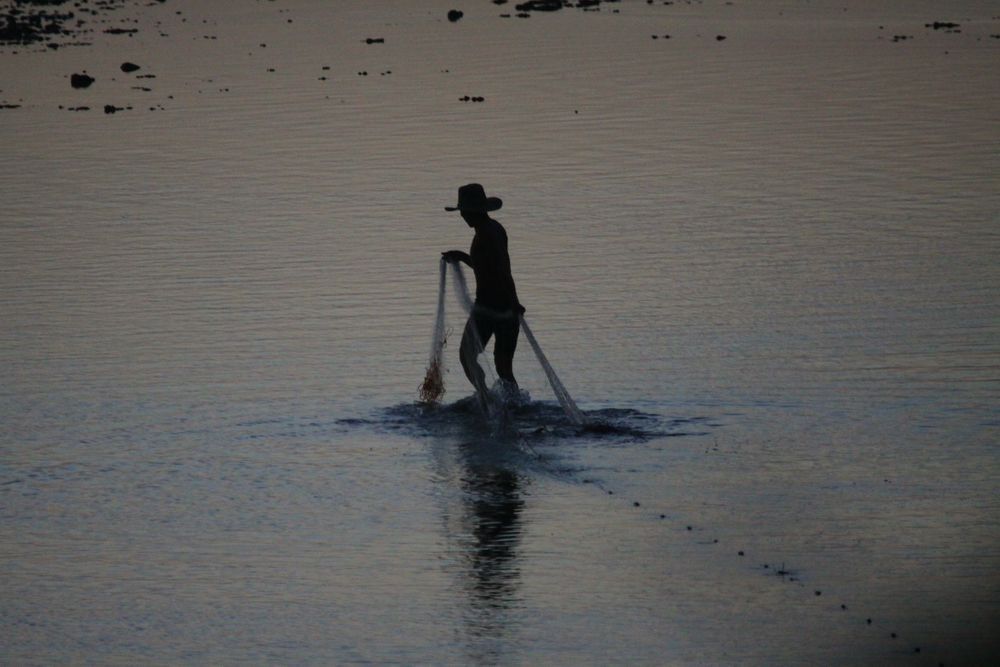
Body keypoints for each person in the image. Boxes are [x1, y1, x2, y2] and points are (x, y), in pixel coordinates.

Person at [441, 183, 525, 400]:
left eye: (465, 212)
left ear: (473, 211)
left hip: (489, 308)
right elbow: (488, 267)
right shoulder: (494, 228)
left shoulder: (486, 234)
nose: (463, 217)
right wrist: (461, 256)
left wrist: (514, 303)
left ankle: (486, 399)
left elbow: (501, 269)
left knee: (467, 355)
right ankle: (512, 404)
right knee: (503, 366)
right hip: (505, 308)